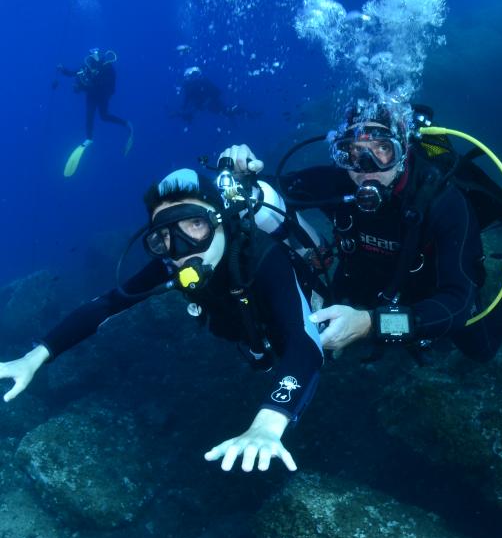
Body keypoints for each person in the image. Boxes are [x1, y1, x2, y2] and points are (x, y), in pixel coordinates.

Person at [0, 167, 323, 472]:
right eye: (165, 236)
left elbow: (305, 343)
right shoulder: (172, 263)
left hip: (302, 323)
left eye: (194, 225)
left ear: (221, 220)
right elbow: (106, 305)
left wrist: (268, 423)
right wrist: (36, 356)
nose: (182, 249)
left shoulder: (264, 256)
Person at [219, 99, 502, 363]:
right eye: (353, 153)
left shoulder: (442, 202)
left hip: (431, 291)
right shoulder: (337, 181)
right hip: (366, 278)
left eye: (382, 150)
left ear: (404, 152)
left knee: (482, 350)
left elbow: (456, 304)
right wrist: (240, 175)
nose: (365, 169)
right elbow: (265, 193)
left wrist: (372, 324)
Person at [58, 48, 134, 176]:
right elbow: (75, 73)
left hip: (102, 96)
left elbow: (102, 86)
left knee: (104, 116)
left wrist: (81, 87)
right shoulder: (88, 65)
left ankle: (126, 123)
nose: (93, 58)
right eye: (92, 56)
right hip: (92, 96)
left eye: (95, 55)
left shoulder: (108, 69)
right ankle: (89, 138)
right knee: (89, 116)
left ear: (100, 56)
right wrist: (63, 69)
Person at [171, 67, 255, 130]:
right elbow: (186, 102)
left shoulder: (204, 82)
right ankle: (241, 115)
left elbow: (217, 92)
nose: (193, 78)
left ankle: (245, 113)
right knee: (227, 112)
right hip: (205, 107)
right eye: (191, 76)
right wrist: (183, 111)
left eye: (195, 75)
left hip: (213, 104)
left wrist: (207, 101)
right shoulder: (188, 87)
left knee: (228, 111)